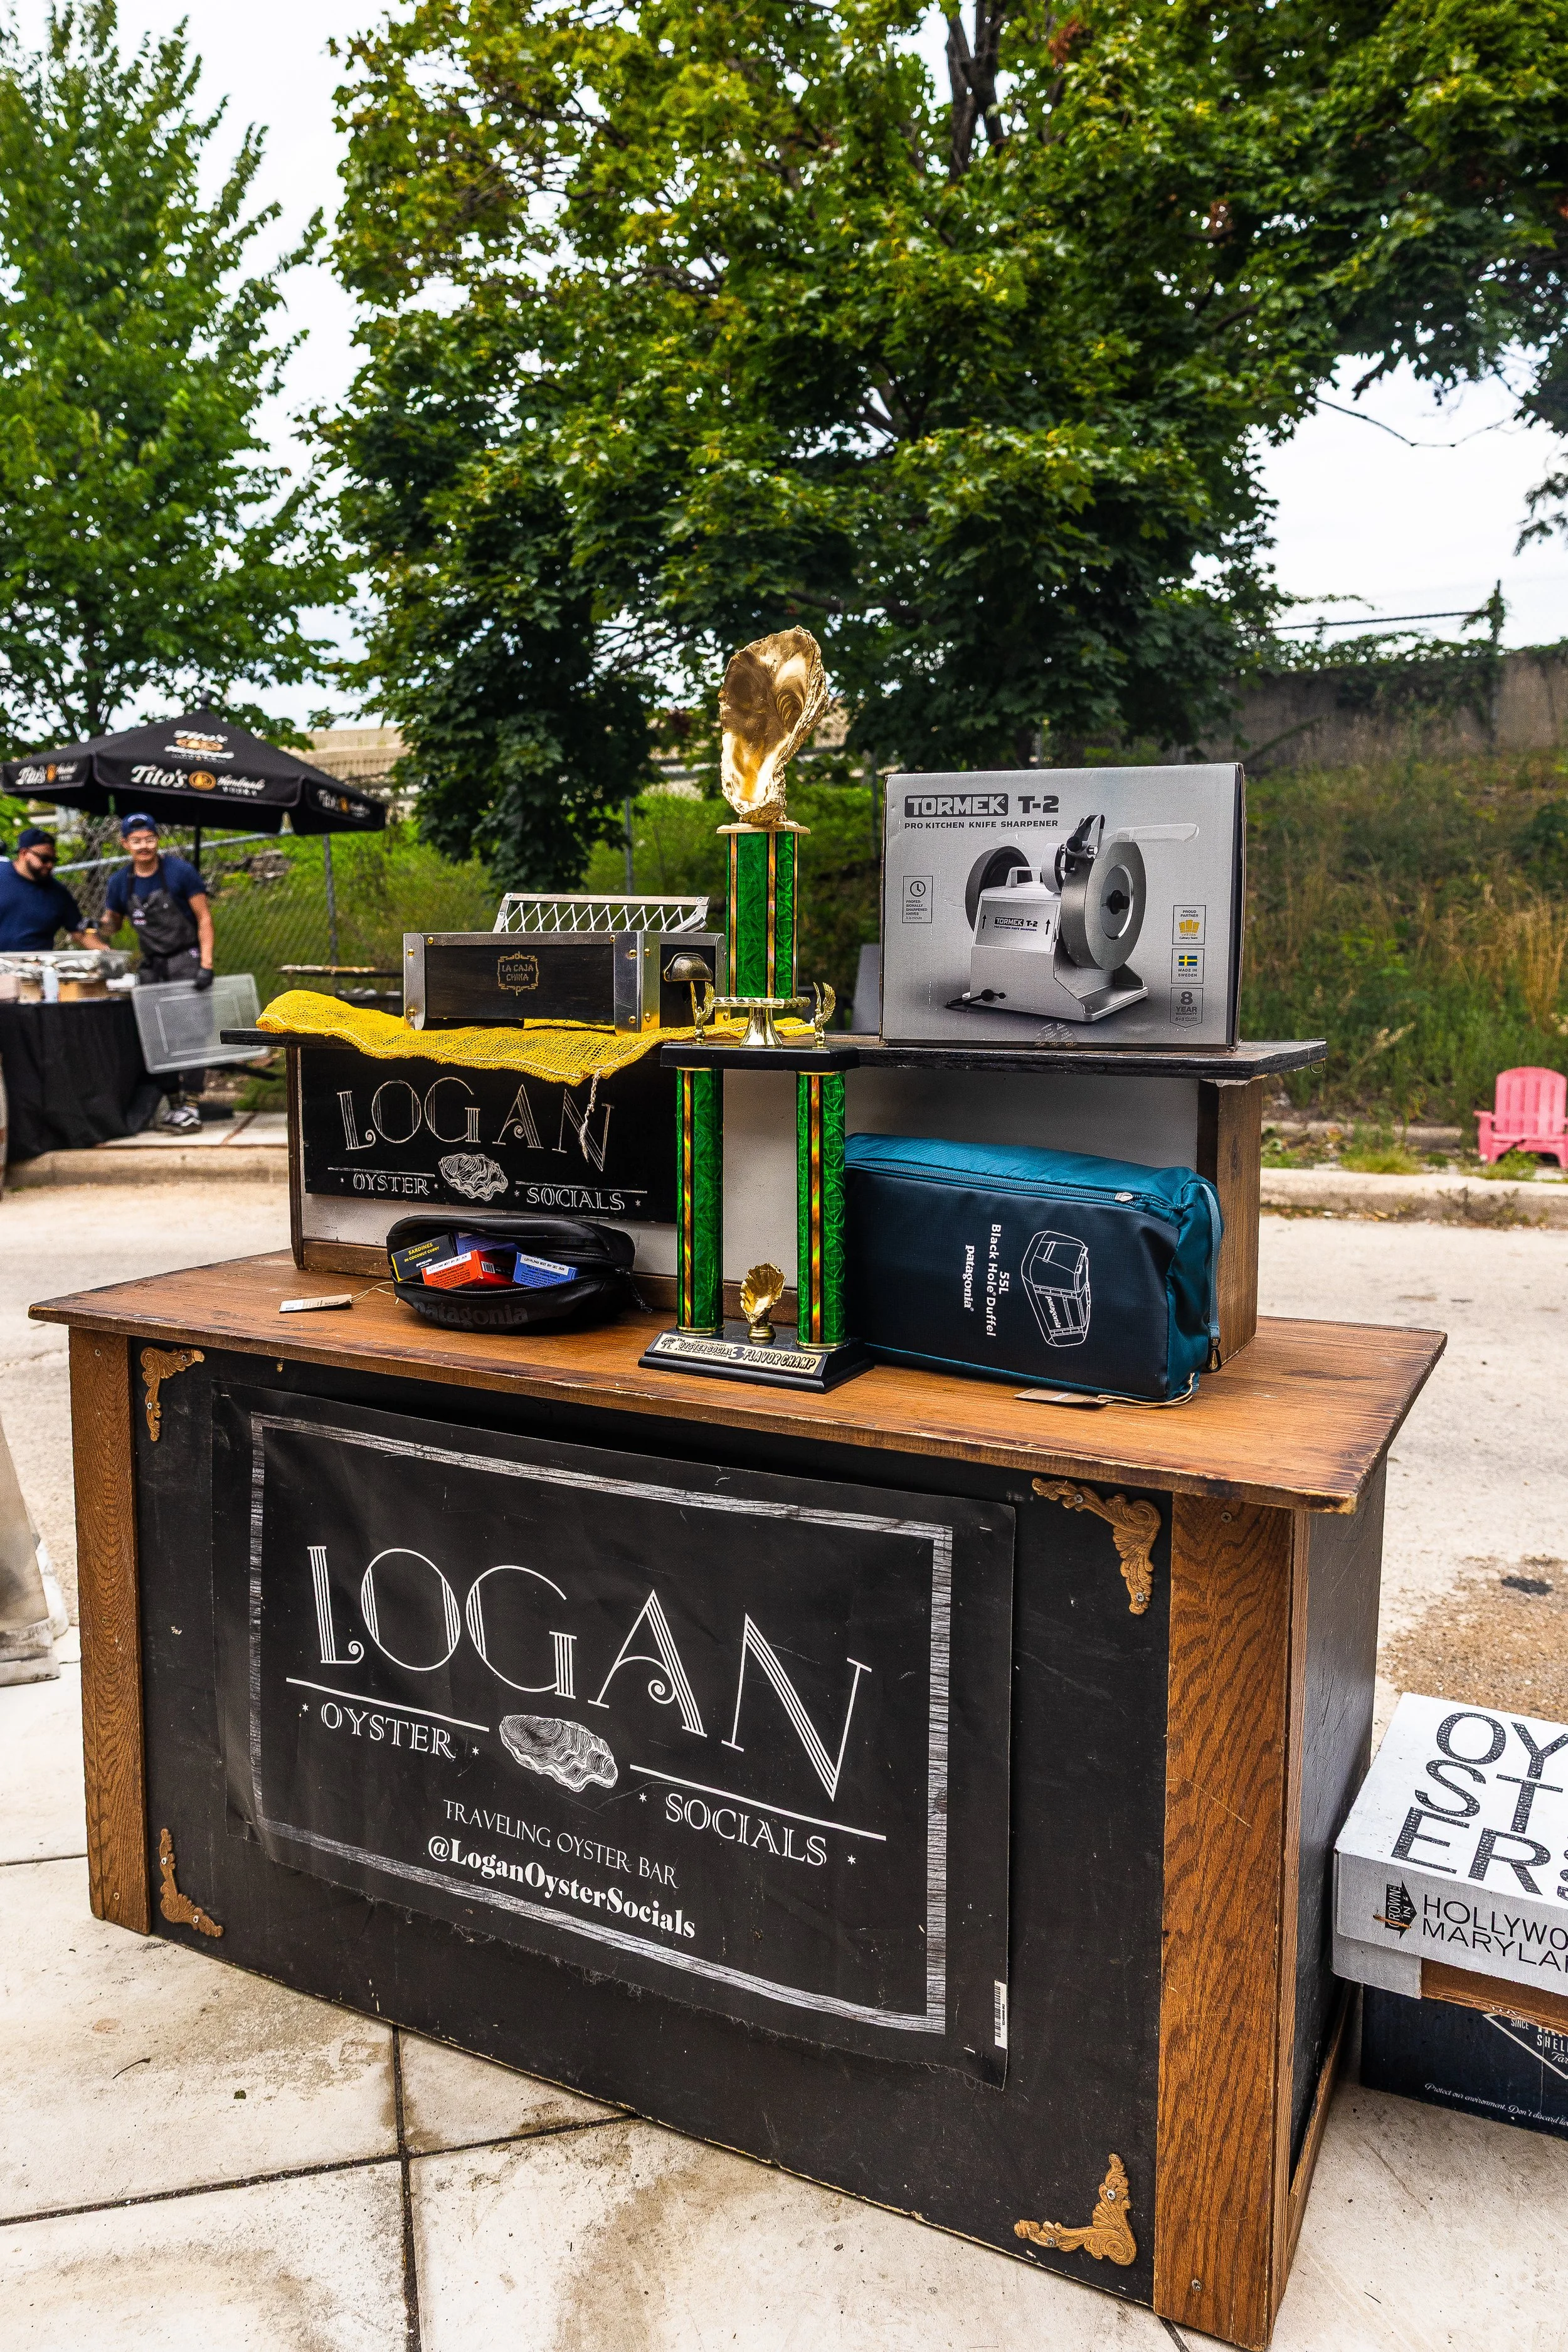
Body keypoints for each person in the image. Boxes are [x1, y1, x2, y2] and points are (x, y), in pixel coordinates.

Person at [97, 812, 216, 1133]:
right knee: (157, 1034)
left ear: (157, 840)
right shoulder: (120, 882)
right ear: (125, 844)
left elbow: (204, 918)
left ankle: (192, 1105)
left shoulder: (180, 872)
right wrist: (99, 925)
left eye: (149, 839)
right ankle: (173, 1103)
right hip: (152, 965)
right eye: (136, 841)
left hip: (185, 959)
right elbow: (113, 924)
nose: (144, 846)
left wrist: (206, 965)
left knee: (191, 1032)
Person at [0, 826, 98, 951]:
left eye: (53, 860)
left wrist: (106, 952)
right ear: (24, 853)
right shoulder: (2, 875)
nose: (50, 865)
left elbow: (80, 932)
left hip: (36, 960)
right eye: (44, 859)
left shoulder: (58, 892)